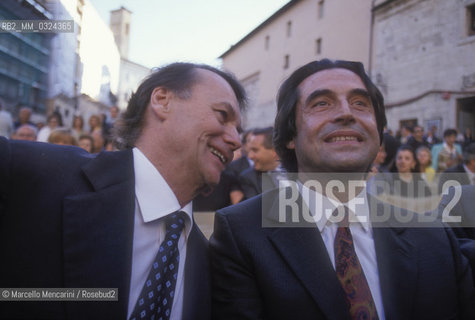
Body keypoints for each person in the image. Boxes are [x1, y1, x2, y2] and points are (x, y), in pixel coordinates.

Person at [210, 59, 474, 319]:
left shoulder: (435, 239)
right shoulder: (241, 235)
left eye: (360, 103)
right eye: (322, 103)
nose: (347, 113)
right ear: (290, 135)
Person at [0, 62, 246, 319]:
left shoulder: (216, 260)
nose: (236, 140)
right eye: (222, 115)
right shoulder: (31, 172)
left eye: (238, 130)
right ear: (162, 100)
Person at [237, 127, 282, 201]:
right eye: (250, 150)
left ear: (275, 151)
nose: (250, 156)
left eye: (255, 150)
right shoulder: (249, 178)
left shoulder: (299, 169)